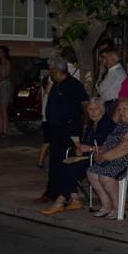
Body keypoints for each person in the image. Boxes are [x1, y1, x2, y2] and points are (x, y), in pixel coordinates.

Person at [40, 57, 88, 215]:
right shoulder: (56, 85)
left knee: (65, 162)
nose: (49, 74)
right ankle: (74, 198)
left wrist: (83, 128)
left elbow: (84, 105)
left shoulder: (73, 85)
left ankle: (63, 199)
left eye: (50, 71)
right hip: (56, 130)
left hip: (69, 130)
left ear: (56, 70)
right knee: (57, 163)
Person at [84, 99, 128, 218]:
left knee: (105, 176)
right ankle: (106, 206)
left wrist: (105, 156)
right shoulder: (120, 125)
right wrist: (101, 151)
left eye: (125, 109)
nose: (121, 112)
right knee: (91, 172)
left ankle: (118, 208)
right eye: (119, 109)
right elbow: (109, 142)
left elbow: (126, 147)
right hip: (114, 158)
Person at [97, 46, 126, 113]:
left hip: (112, 105)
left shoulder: (116, 71)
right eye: (102, 58)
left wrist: (100, 74)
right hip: (109, 105)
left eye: (105, 57)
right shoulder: (112, 71)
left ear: (112, 56)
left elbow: (100, 89)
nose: (104, 61)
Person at [0, 45, 13, 137]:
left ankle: (5, 130)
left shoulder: (7, 62)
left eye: (0, 52)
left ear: (4, 53)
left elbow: (7, 75)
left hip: (5, 86)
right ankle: (0, 129)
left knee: (3, 109)